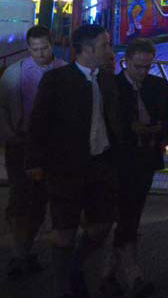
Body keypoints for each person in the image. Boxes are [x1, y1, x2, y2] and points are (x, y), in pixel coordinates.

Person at [25, 24, 123, 298]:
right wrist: (34, 162)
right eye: (104, 45)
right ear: (88, 50)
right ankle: (65, 287)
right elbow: (38, 123)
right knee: (64, 229)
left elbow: (113, 120)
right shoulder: (57, 80)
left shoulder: (107, 80)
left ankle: (75, 267)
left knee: (102, 223)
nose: (109, 50)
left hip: (101, 163)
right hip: (66, 167)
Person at [104, 38, 168, 297]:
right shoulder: (113, 87)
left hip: (145, 156)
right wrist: (130, 129)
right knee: (126, 214)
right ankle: (129, 272)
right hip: (120, 159)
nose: (143, 72)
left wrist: (159, 130)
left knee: (131, 213)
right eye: (138, 66)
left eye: (147, 66)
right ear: (126, 62)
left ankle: (112, 272)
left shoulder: (157, 85)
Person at [0, 25, 64, 279]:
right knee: (21, 196)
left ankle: (22, 251)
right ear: (28, 48)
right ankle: (20, 251)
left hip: (49, 145)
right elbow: (2, 108)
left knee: (37, 199)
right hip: (22, 141)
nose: (40, 54)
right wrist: (10, 134)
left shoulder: (61, 70)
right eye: (35, 49)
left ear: (51, 44)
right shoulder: (15, 73)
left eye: (44, 48)